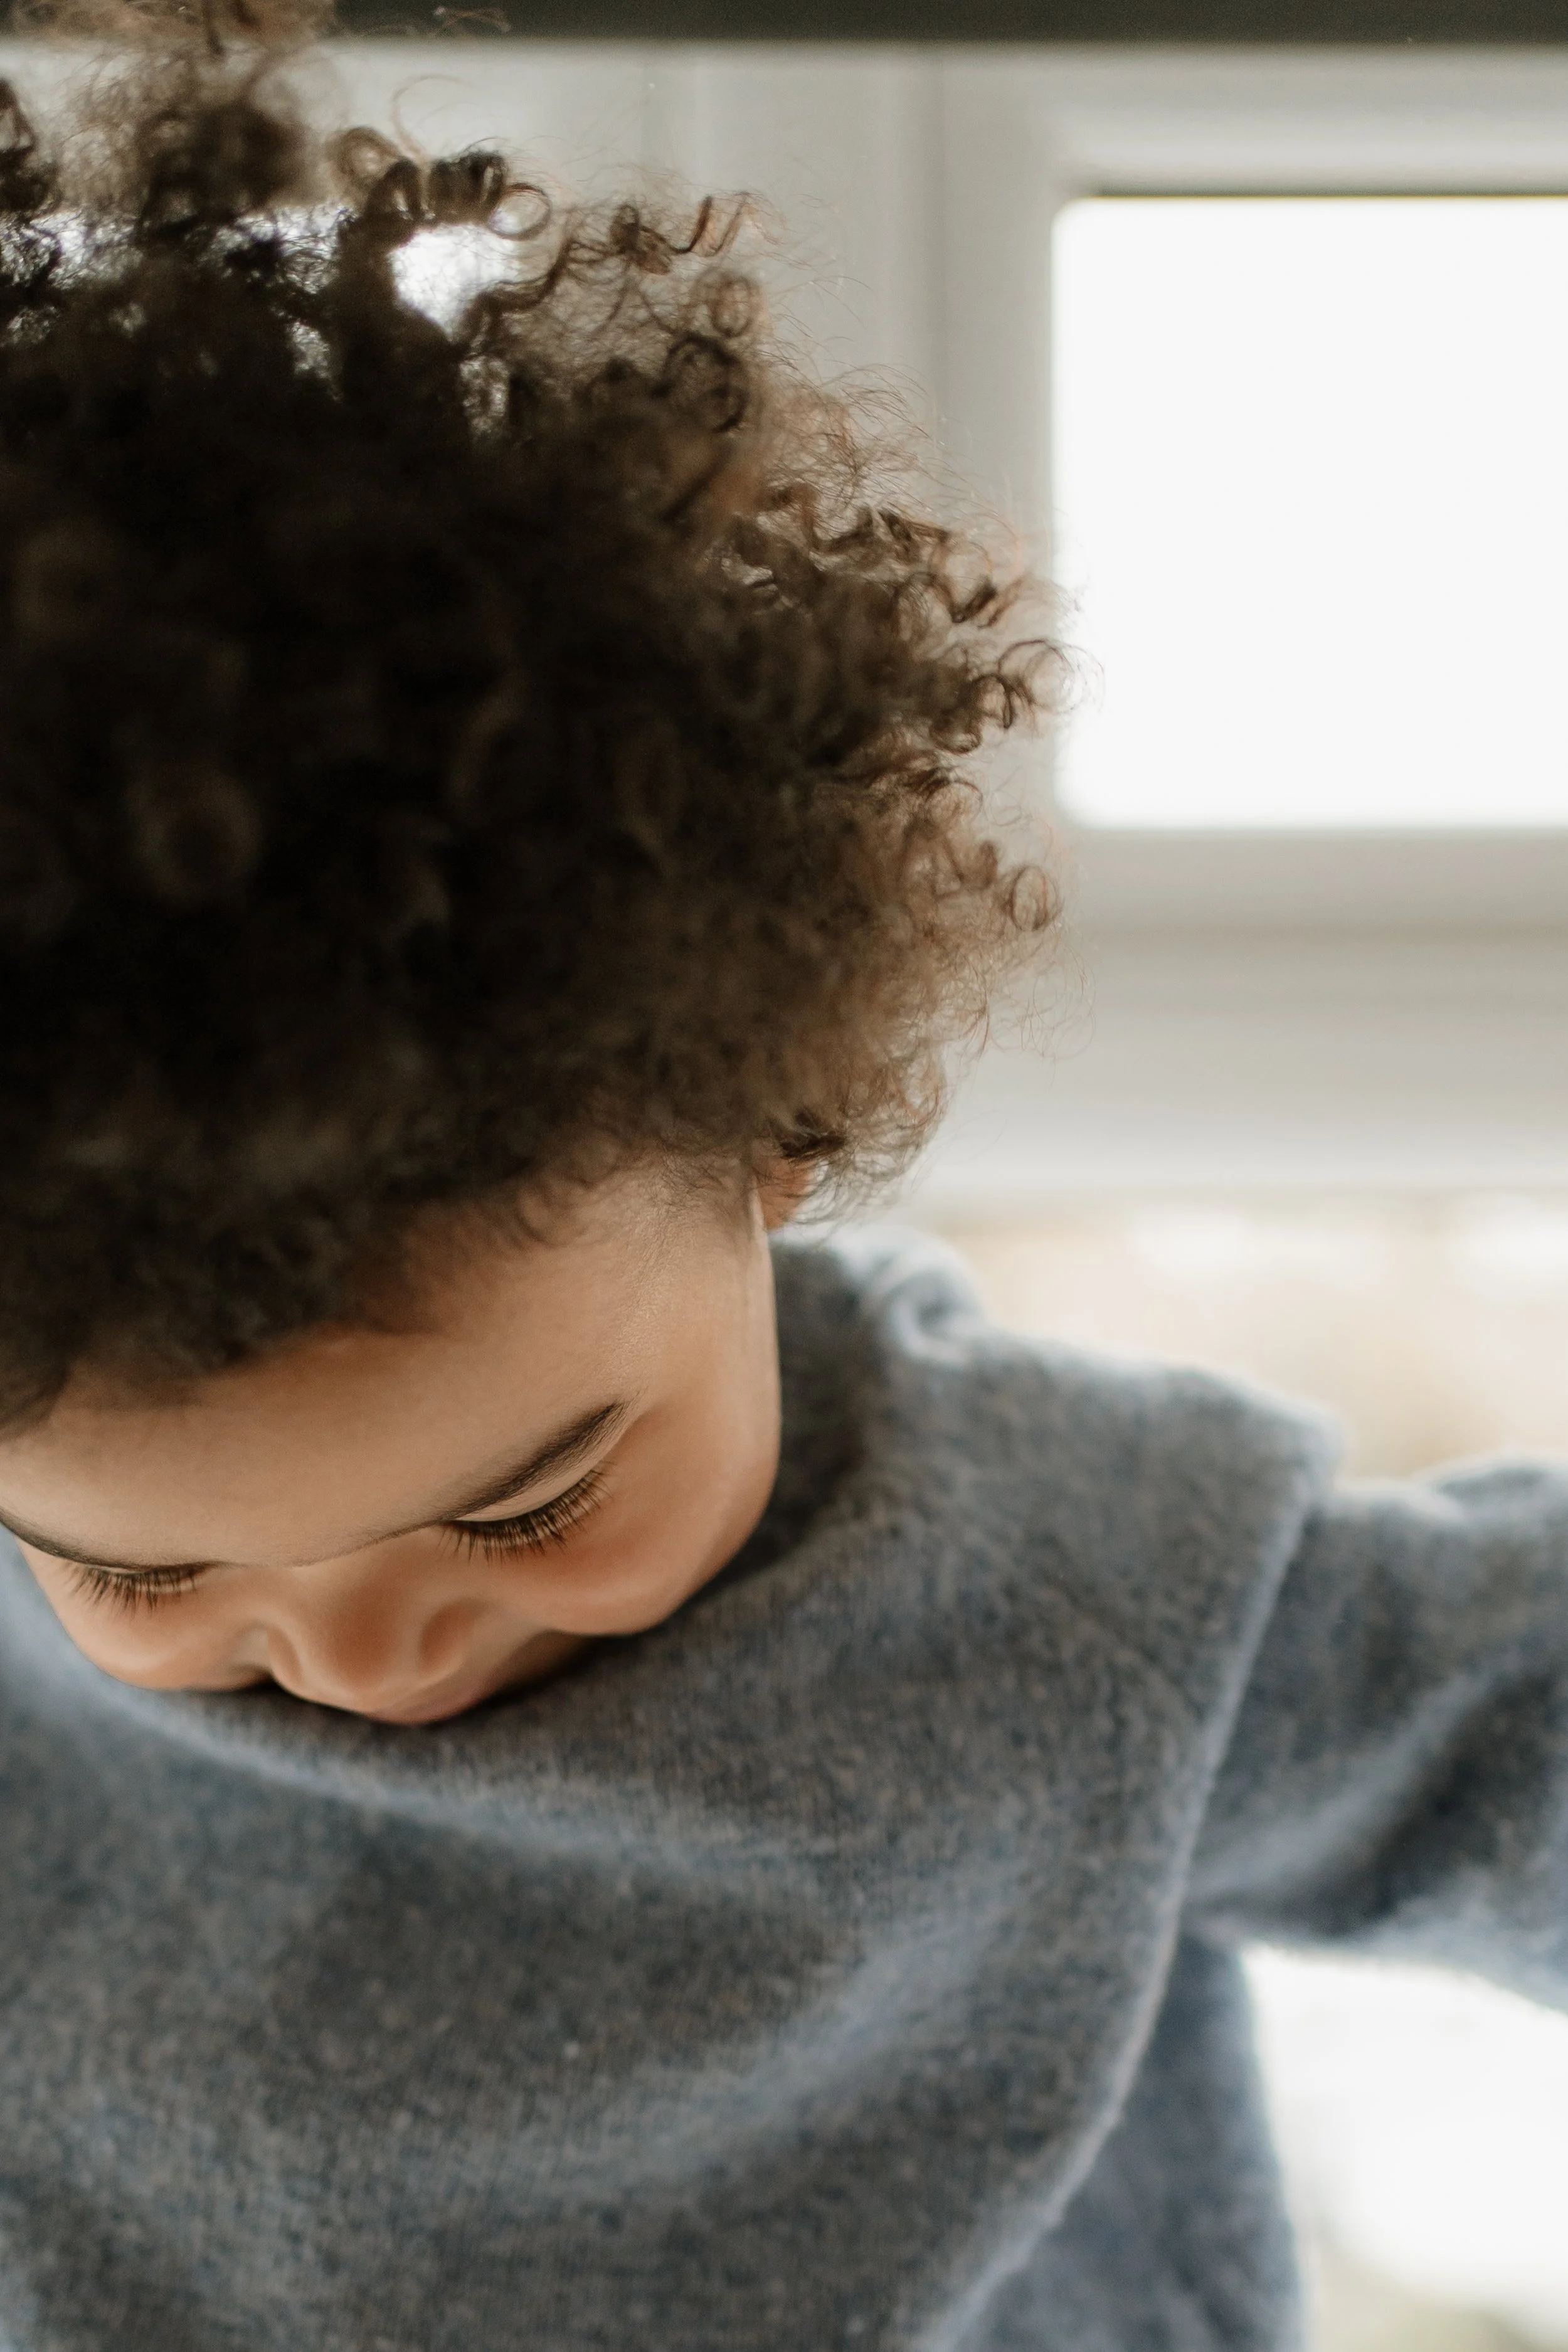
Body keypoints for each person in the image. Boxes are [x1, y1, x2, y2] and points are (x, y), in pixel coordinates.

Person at [0, 8, 1562, 2348]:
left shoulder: (1070, 1597)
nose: (352, 1651)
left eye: (528, 1504)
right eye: (131, 1565)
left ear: (769, 1133)